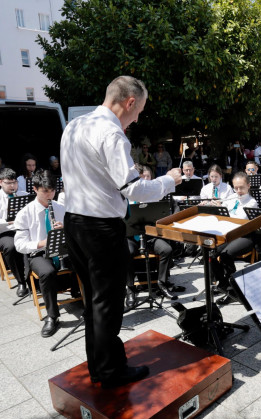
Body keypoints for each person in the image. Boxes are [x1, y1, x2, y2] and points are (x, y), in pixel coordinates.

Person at [60, 76, 182, 388]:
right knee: (108, 303)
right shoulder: (111, 132)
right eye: (139, 110)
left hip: (75, 223)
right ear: (129, 103)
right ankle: (111, 372)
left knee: (94, 302)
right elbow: (134, 190)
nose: (138, 117)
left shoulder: (74, 125)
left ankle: (100, 366)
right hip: (100, 227)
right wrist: (170, 180)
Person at [13, 170, 68, 337]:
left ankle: (89, 305)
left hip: (62, 249)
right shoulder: (25, 213)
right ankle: (52, 316)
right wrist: (41, 243)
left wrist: (65, 230)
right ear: (35, 189)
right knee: (47, 272)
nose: (49, 195)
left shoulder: (61, 208)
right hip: (38, 253)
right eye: (45, 191)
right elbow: (19, 245)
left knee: (87, 261)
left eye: (52, 191)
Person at [125, 165, 183, 307]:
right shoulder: (127, 196)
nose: (145, 180)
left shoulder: (156, 196)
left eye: (148, 177)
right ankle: (130, 289)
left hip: (150, 236)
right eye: (142, 177)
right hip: (131, 237)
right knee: (127, 253)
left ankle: (162, 284)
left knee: (166, 250)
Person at [208, 172, 259, 304]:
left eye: (241, 187)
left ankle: (233, 290)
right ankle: (223, 284)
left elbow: (240, 219)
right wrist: (217, 208)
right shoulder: (231, 198)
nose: (238, 191)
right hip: (230, 235)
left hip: (245, 236)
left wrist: (223, 209)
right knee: (211, 253)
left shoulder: (252, 202)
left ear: (248, 185)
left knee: (226, 255)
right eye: (235, 188)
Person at [0, 168, 30, 297]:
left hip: (23, 230)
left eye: (14, 182)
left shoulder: (24, 194)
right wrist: (7, 221)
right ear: (0, 182)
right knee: (11, 247)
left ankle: (34, 279)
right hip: (5, 233)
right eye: (8, 183)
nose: (13, 186)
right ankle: (21, 281)